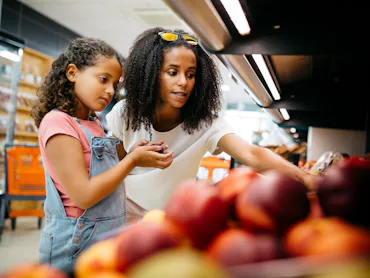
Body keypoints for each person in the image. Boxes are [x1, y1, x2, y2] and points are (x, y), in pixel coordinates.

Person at [106, 27, 317, 223]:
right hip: (119, 213)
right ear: (150, 74)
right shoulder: (125, 113)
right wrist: (134, 159)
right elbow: (109, 169)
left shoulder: (206, 124)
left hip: (170, 219)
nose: (183, 82)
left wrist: (304, 178)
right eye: (173, 72)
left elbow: (252, 154)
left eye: (190, 74)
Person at [31, 37, 173, 272]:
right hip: (74, 243)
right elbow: (83, 196)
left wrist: (133, 151)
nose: (110, 91)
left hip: (102, 238)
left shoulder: (92, 122)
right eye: (103, 79)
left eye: (115, 84)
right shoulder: (58, 122)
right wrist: (131, 161)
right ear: (72, 73)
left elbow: (105, 167)